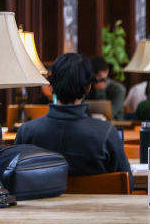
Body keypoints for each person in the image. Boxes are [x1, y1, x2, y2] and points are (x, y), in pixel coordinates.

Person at [15, 53, 132, 186]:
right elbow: (127, 183)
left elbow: (14, 180)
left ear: (51, 85)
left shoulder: (26, 132)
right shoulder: (105, 133)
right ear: (88, 87)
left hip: (42, 205)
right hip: (94, 206)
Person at [87, 56, 126, 120]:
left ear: (107, 72)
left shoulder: (118, 89)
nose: (97, 79)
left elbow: (108, 114)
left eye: (99, 75)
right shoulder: (89, 86)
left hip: (115, 125)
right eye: (94, 76)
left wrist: (100, 91)